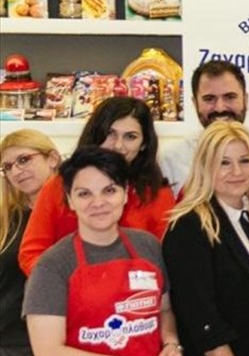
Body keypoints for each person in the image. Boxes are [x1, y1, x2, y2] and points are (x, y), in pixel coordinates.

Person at [22, 147, 186, 356]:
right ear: (70, 200)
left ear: (125, 193)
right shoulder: (52, 265)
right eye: (84, 194)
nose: (98, 203)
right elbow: (49, 354)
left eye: (109, 191)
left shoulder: (148, 246)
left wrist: (170, 343)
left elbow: (164, 310)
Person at [163, 121, 249, 356]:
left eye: (245, 161)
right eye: (224, 163)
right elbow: (202, 319)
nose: (237, 171)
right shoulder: (189, 226)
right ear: (205, 167)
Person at [19, 97, 174, 275]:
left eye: (130, 137)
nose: (118, 145)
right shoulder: (59, 185)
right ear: (95, 133)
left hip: (135, 289)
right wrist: (64, 283)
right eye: (110, 133)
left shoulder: (157, 193)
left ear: (144, 144)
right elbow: (32, 252)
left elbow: (164, 259)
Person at [160, 60, 249, 196]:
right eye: (209, 99)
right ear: (194, 103)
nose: (220, 108)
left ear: (246, 100)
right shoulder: (172, 159)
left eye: (230, 97)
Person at [1, 130, 61, 356]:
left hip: (64, 339)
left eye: (24, 160)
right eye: (7, 167)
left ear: (52, 159)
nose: (16, 171)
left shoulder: (77, 212)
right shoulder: (8, 220)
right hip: (10, 344)